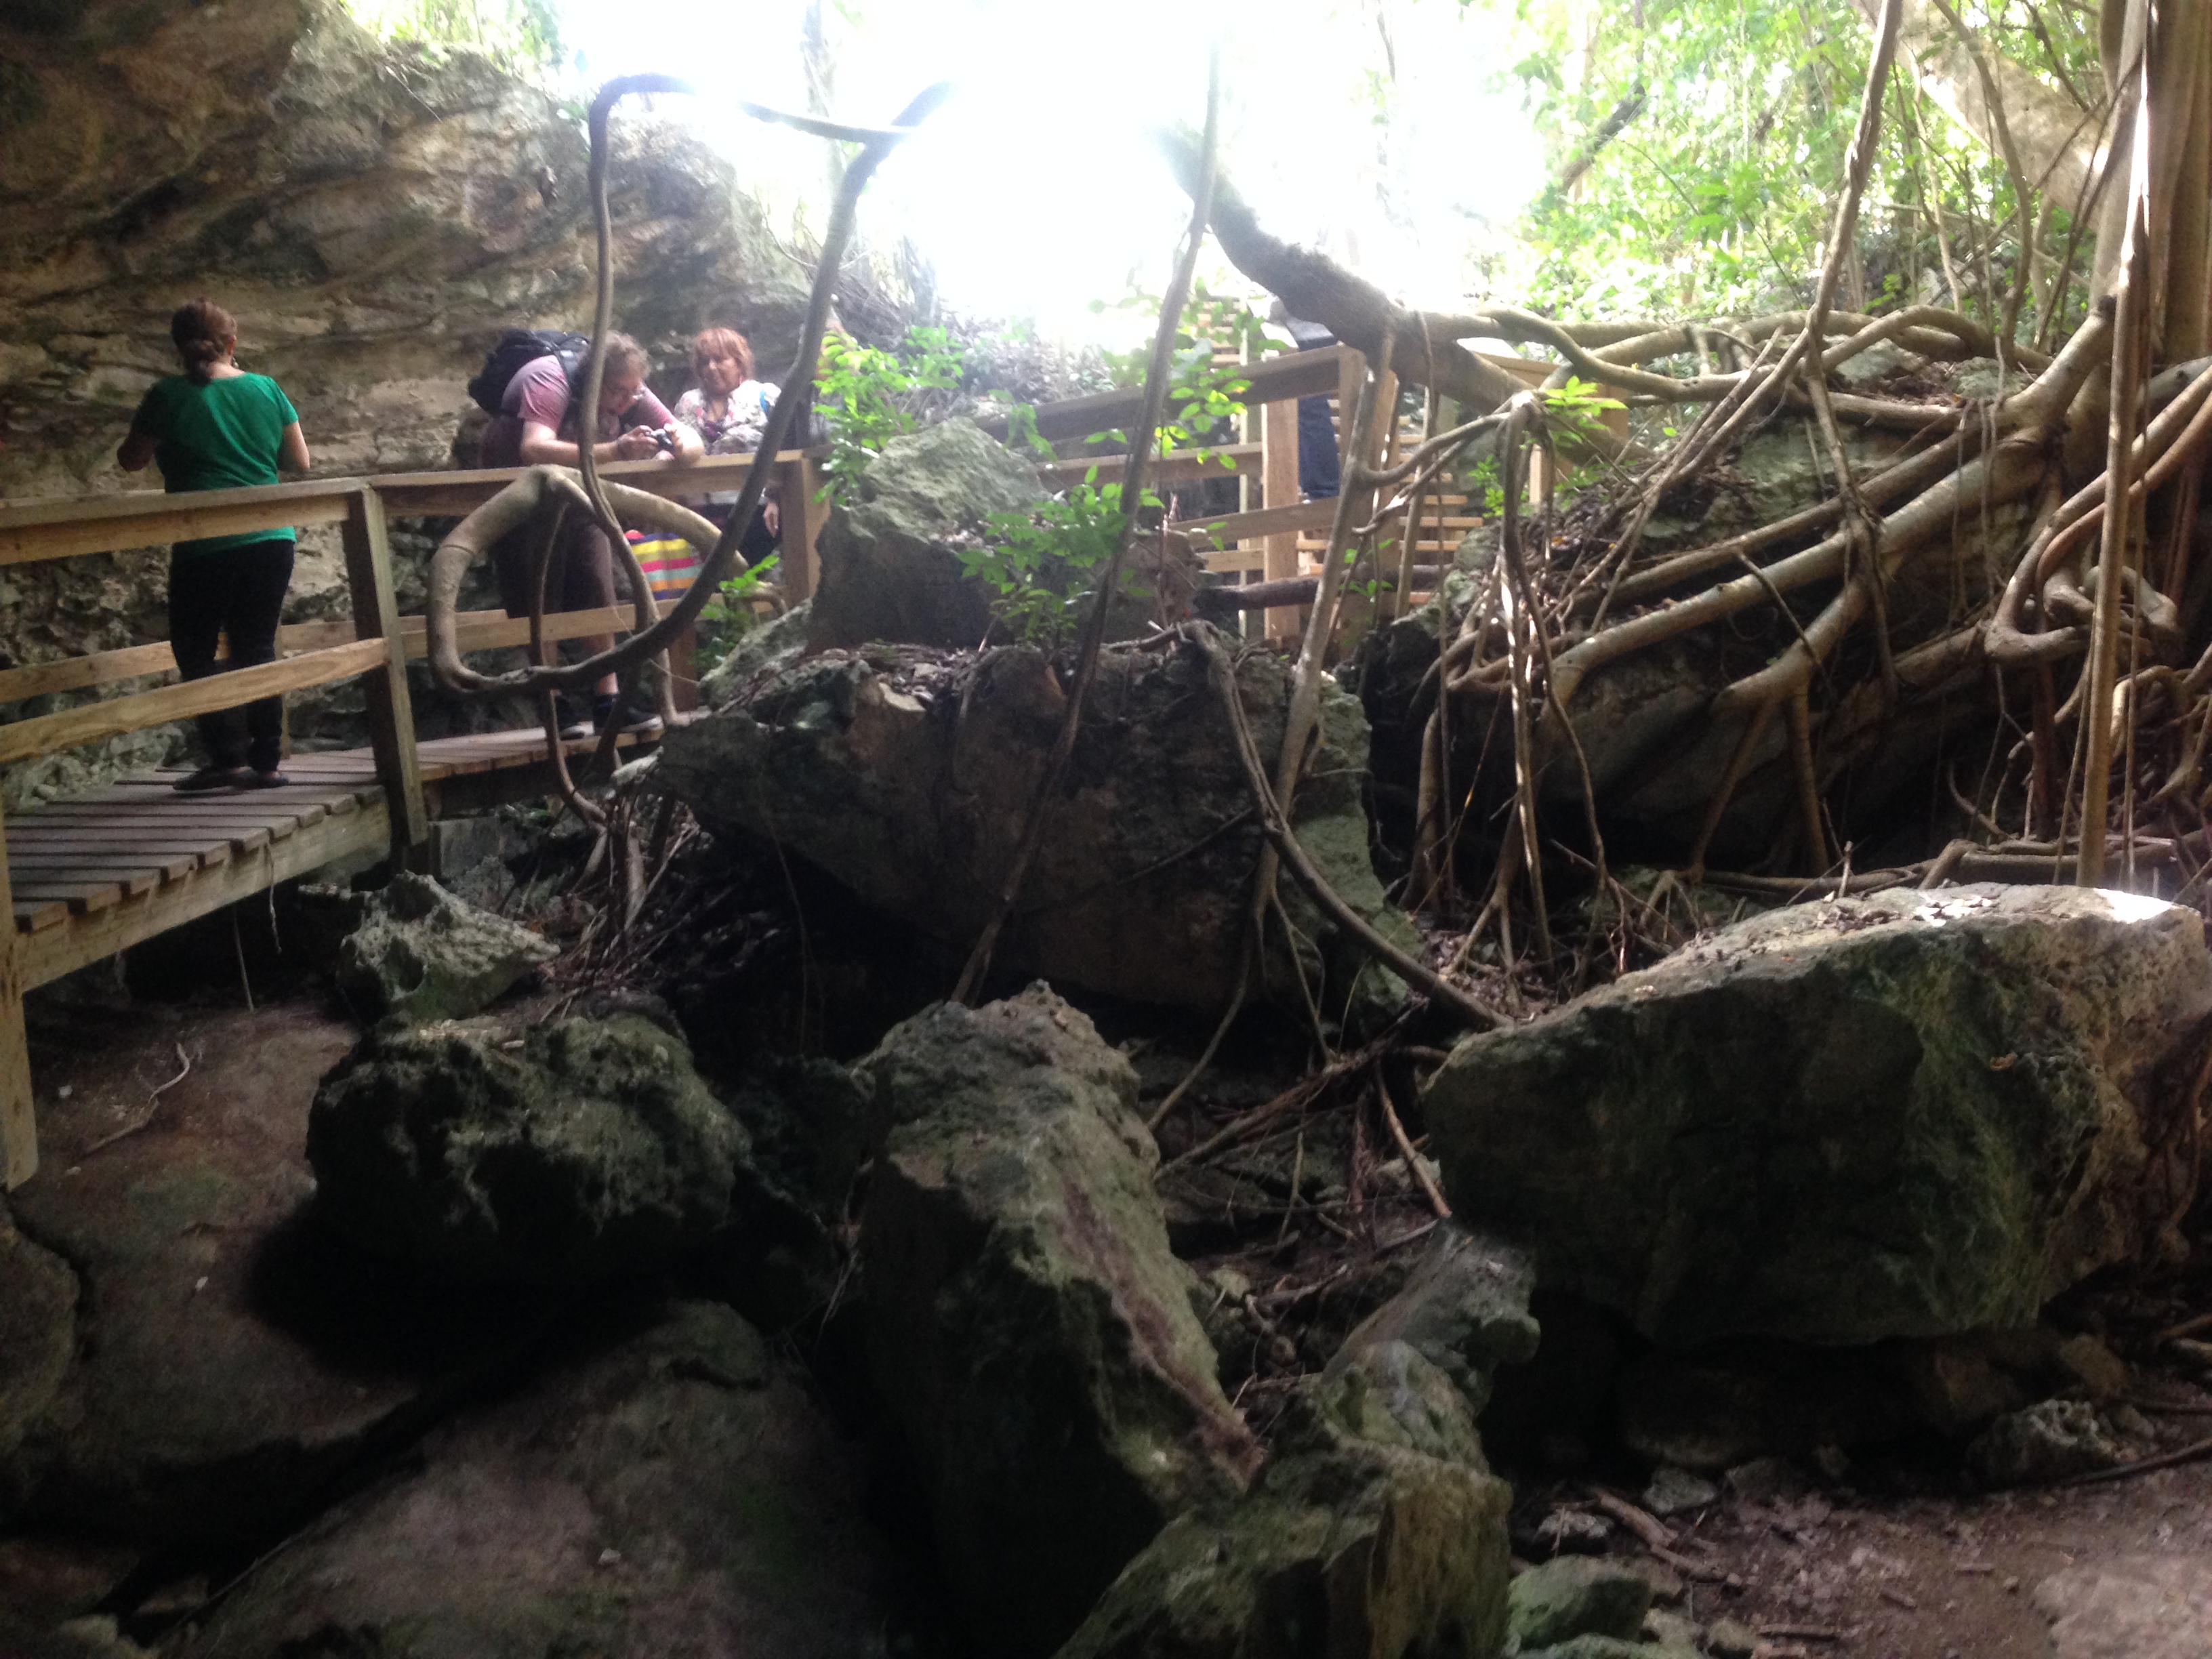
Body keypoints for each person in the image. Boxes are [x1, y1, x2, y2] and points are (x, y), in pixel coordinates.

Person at [118, 298, 312, 792]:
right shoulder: (266, 388)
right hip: (270, 536)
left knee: (195, 647)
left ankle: (226, 758)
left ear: (178, 347)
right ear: (232, 343)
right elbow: (299, 462)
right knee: (257, 644)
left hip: (203, 541)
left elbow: (132, 460)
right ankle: (267, 762)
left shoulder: (166, 395)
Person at [478, 330, 703, 738]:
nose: (628, 401)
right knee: (538, 596)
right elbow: (535, 448)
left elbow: (690, 439)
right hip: (520, 496)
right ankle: (551, 701)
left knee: (598, 583)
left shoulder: (630, 388)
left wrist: (677, 446)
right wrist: (617, 450)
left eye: (634, 392)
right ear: (596, 380)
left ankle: (608, 701)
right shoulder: (549, 379)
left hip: (581, 494)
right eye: (619, 392)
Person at [671, 326, 782, 560]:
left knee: (749, 576)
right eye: (705, 362)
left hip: (756, 511)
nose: (711, 367)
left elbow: (788, 448)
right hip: (698, 515)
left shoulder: (765, 396)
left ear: (739, 362)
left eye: (720, 359)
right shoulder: (688, 403)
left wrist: (777, 498)